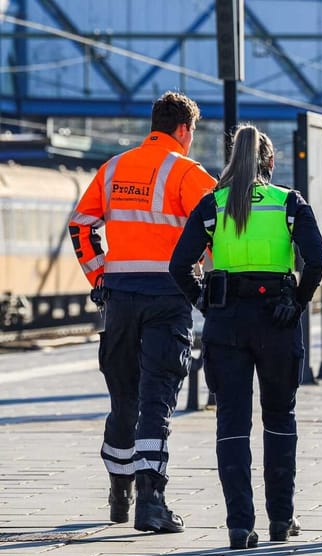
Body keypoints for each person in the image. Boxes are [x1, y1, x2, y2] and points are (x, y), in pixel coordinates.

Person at [169, 124, 322, 549]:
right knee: (279, 420)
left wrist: (205, 302)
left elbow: (179, 265)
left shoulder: (212, 205)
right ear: (269, 163)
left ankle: (240, 525)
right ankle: (281, 519)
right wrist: (297, 301)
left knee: (232, 425)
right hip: (277, 320)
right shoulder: (287, 203)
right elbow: (318, 259)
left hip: (227, 322)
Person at [68, 91, 216, 533]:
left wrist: (98, 276)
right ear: (184, 130)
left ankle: (119, 489)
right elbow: (216, 228)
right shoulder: (188, 173)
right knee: (156, 400)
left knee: (123, 398)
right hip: (168, 297)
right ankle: (150, 501)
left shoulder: (113, 168)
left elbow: (81, 225)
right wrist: (206, 278)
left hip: (119, 297)